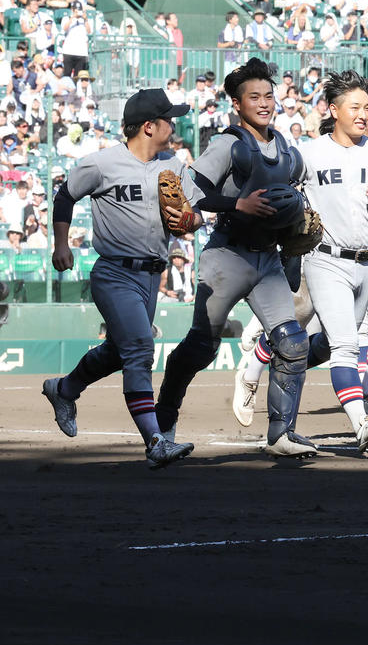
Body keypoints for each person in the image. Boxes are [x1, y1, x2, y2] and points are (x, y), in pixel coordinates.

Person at [155, 58, 318, 458]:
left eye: (269, 96)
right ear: (236, 103)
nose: (264, 103)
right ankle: (162, 426)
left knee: (293, 343)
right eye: (254, 97)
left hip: (268, 259)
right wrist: (237, 204)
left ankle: (281, 435)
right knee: (200, 347)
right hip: (226, 255)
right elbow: (192, 188)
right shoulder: (228, 143)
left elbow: (296, 206)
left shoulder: (287, 150)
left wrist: (294, 250)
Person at [41, 88, 197, 468]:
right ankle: (155, 442)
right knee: (141, 349)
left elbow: (194, 214)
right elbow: (65, 197)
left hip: (151, 279)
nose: (173, 124)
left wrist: (188, 219)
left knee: (118, 352)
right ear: (149, 126)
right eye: (168, 119)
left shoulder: (173, 165)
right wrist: (62, 244)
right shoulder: (102, 163)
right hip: (113, 272)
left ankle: (63, 389)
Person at [298, 71, 368, 450]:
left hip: (367, 262)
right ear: (333, 110)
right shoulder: (308, 153)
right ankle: (361, 421)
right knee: (347, 344)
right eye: (355, 107)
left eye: (367, 107)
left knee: (334, 343)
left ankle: (283, 358)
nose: (363, 114)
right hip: (324, 258)